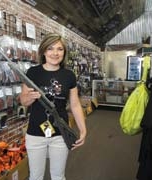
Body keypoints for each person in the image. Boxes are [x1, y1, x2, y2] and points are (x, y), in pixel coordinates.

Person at [19, 33, 87, 180]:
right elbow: (23, 101)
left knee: (58, 176)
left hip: (60, 134)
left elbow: (75, 105)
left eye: (59, 49)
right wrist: (30, 98)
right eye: (50, 49)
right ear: (43, 51)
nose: (55, 53)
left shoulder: (69, 75)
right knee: (35, 176)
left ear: (64, 53)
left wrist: (83, 129)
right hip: (35, 133)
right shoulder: (33, 72)